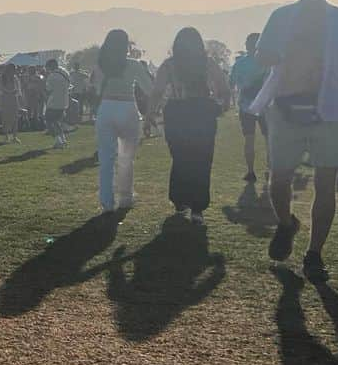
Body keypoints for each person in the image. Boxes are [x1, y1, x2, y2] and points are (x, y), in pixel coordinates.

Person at [249, 0, 338, 282]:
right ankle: (286, 222)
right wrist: (286, 53)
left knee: (326, 182)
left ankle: (314, 253)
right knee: (279, 179)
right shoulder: (282, 17)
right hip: (285, 105)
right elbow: (261, 55)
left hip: (329, 109)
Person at [145, 29, 231, 223]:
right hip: (203, 112)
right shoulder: (208, 64)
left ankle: (180, 200)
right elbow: (224, 89)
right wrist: (221, 107)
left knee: (180, 158)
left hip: (177, 113)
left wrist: (150, 114)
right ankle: (198, 208)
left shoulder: (169, 65)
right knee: (202, 160)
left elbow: (157, 92)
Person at [92, 30, 153, 215]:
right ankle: (125, 198)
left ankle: (106, 202)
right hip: (127, 108)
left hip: (106, 107)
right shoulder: (133, 65)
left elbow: (95, 90)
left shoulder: (100, 65)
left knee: (106, 159)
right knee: (126, 158)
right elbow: (149, 88)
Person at [229, 33, 269, 184]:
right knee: (268, 140)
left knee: (249, 139)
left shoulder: (239, 63)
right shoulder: (267, 62)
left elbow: (232, 82)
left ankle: (251, 171)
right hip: (265, 106)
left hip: (246, 106)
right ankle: (270, 169)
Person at [44, 59, 72, 148]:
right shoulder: (65, 72)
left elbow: (48, 89)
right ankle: (63, 139)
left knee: (49, 121)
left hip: (54, 101)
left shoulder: (51, 76)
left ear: (51, 66)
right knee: (56, 122)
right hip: (64, 101)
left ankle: (58, 141)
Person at [0, 63, 22, 142]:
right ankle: (6, 136)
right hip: (5, 100)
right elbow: (0, 89)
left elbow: (18, 90)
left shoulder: (15, 78)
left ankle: (15, 136)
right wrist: (10, 92)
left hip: (14, 100)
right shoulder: (2, 78)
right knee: (6, 119)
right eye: (13, 69)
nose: (14, 71)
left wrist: (18, 97)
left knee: (15, 118)